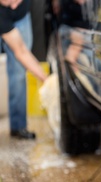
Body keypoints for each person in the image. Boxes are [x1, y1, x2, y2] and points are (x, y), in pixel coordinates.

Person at [0, 0, 47, 139]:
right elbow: (20, 51)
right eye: (10, 2)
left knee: (19, 72)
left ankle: (18, 126)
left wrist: (46, 79)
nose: (14, 6)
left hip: (22, 17)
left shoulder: (17, 6)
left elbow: (22, 51)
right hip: (1, 16)